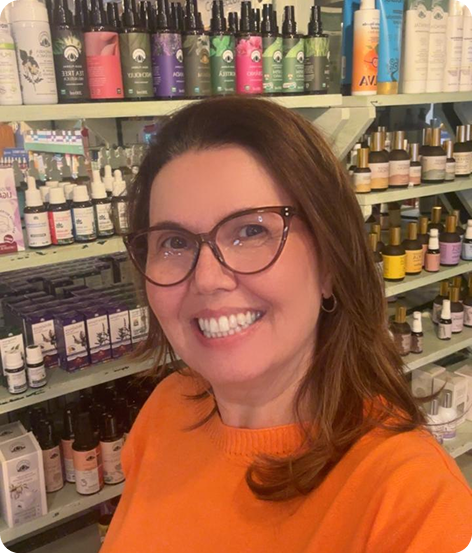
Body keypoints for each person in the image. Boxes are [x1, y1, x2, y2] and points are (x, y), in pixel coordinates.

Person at [101, 97, 472, 553]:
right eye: (174, 242)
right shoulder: (167, 408)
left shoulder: (417, 505)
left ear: (331, 261)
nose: (207, 279)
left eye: (251, 231)